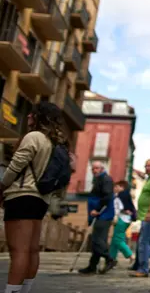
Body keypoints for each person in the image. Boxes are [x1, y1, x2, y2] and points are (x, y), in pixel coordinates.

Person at [0, 102, 69, 293]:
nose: (29, 116)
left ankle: (11, 291)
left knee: (18, 250)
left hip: (22, 196)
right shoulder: (53, 142)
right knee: (31, 249)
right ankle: (24, 290)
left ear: (40, 117)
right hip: (41, 199)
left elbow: (15, 166)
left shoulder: (34, 137)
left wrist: (2, 187)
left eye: (32, 114)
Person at [79, 161, 116, 275]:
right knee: (98, 240)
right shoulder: (99, 179)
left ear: (102, 169)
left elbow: (107, 196)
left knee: (97, 240)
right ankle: (92, 266)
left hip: (103, 214)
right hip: (100, 214)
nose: (94, 170)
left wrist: (97, 209)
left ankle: (109, 259)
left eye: (96, 168)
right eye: (93, 168)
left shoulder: (106, 179)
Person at [105, 181, 136, 272]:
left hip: (121, 219)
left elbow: (119, 208)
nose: (115, 188)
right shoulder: (126, 195)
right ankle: (112, 259)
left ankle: (130, 255)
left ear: (122, 187)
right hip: (127, 220)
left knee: (118, 240)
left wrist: (115, 217)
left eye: (117, 186)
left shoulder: (120, 196)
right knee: (114, 241)